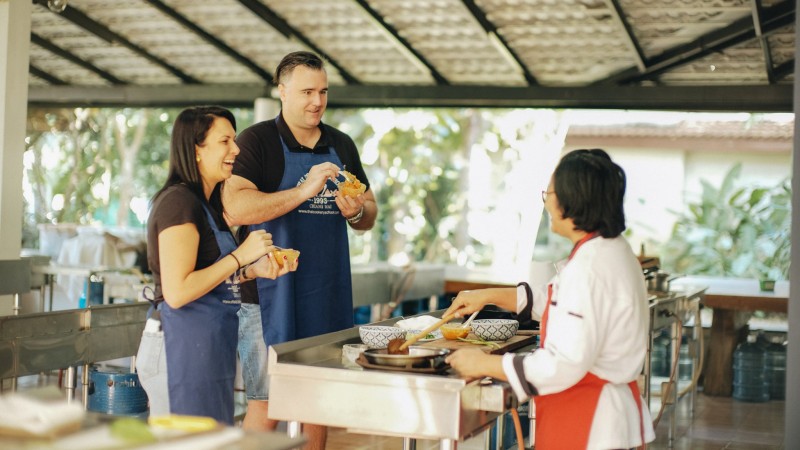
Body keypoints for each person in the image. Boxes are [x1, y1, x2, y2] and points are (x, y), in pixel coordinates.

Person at [444, 149, 655, 449]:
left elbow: (563, 364)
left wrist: (485, 364)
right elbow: (562, 301)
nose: (546, 203)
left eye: (550, 193)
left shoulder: (591, 267)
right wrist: (488, 295)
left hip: (591, 422)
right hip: (600, 417)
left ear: (572, 200)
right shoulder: (609, 250)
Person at [223, 51, 377, 445]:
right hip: (267, 296)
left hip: (326, 292)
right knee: (267, 401)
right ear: (282, 91)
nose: (317, 102)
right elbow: (235, 206)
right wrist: (304, 189)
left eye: (323, 92)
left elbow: (370, 213)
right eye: (307, 91)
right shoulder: (256, 142)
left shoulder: (341, 144)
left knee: (318, 399)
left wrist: (356, 212)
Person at [135, 106, 295, 425]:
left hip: (209, 351)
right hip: (179, 350)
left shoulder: (207, 206)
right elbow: (178, 292)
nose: (236, 149)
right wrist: (241, 256)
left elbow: (210, 275)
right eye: (225, 141)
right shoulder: (178, 203)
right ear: (197, 150)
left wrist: (252, 270)